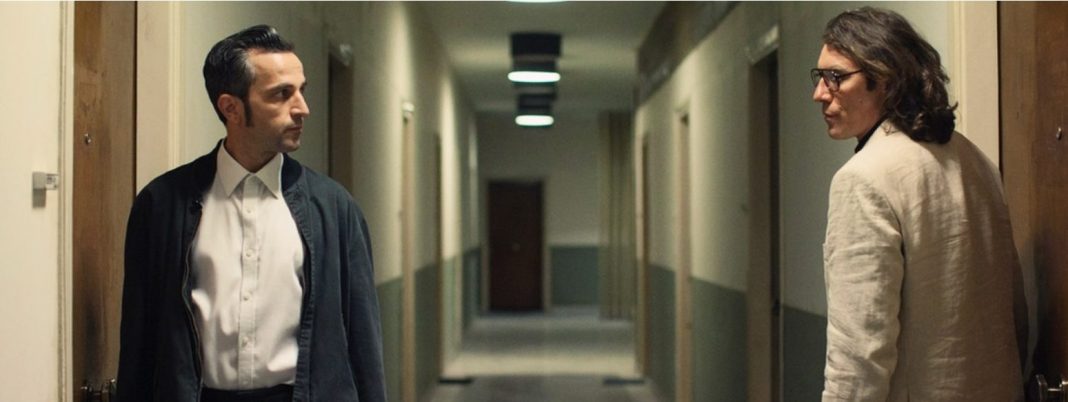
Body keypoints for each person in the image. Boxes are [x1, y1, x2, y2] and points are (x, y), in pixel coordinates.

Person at [117, 25, 386, 402]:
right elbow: (138, 345)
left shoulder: (335, 208)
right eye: (281, 94)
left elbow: (364, 345)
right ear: (231, 107)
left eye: (301, 91)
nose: (302, 108)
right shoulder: (162, 204)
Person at [812, 7, 1028, 402]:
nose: (820, 93)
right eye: (820, 77)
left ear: (885, 78)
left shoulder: (862, 179)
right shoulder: (978, 163)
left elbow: (858, 357)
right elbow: (1014, 319)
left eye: (836, 77)